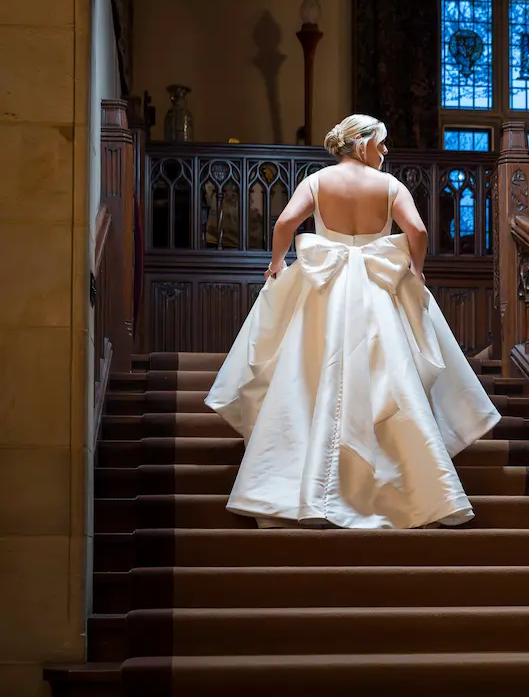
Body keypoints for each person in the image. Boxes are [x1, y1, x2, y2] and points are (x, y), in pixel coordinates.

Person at [206, 114, 500, 529]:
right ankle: (402, 488)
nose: (384, 152)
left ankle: (303, 485)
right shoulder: (389, 186)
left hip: (325, 289)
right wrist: (415, 270)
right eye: (380, 144)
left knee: (309, 376)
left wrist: (277, 262)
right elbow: (415, 230)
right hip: (378, 291)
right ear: (361, 143)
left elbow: (285, 223)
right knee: (388, 379)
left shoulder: (317, 181)